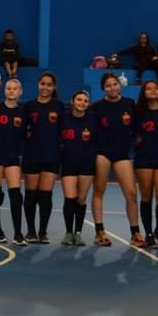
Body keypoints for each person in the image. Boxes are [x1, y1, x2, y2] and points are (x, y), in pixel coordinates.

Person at [91, 73, 142, 247]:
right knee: (99, 191)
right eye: (108, 85)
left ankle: (135, 233)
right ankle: (99, 232)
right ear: (103, 88)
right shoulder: (96, 107)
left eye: (114, 84)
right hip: (102, 154)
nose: (112, 88)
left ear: (119, 85)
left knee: (131, 194)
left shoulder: (130, 104)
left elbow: (136, 131)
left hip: (122, 155)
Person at [22, 72, 63, 245]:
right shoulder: (29, 106)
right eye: (42, 84)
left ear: (53, 87)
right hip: (32, 155)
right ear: (38, 85)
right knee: (31, 194)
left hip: (51, 155)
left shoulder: (59, 106)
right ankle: (31, 230)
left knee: (45, 195)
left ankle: (42, 231)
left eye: (49, 85)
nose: (45, 87)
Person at [134, 79, 158, 249]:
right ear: (143, 92)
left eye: (155, 88)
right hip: (144, 159)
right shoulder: (138, 113)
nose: (152, 90)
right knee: (146, 197)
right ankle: (149, 233)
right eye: (148, 88)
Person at [59, 90, 97, 246]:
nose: (82, 102)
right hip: (68, 163)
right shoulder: (63, 118)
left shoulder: (93, 119)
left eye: (85, 101)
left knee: (81, 199)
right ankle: (68, 232)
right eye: (79, 99)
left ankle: (78, 232)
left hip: (87, 164)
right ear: (72, 101)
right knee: (70, 198)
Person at [0, 78, 25, 244]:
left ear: (20, 92)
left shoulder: (22, 112)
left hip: (12, 157)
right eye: (9, 88)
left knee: (16, 195)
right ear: (4, 91)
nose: (11, 91)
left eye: (15, 88)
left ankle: (18, 233)